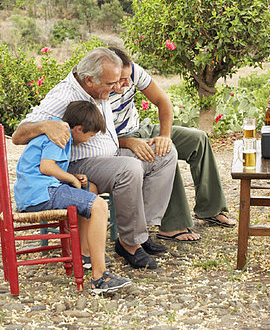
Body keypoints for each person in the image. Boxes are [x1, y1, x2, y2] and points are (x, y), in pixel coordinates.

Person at [12, 47, 178, 270]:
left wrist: (130, 142)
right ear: (89, 79)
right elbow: (18, 135)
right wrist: (45, 126)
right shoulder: (63, 95)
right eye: (111, 84)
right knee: (129, 169)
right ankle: (130, 244)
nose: (116, 87)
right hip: (81, 164)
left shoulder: (97, 89)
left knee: (164, 155)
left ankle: (140, 231)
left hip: (111, 156)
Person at [107, 47, 235, 242]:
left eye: (127, 78)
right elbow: (94, 138)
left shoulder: (131, 70)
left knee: (198, 140)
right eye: (121, 80)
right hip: (117, 141)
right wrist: (129, 142)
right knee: (163, 153)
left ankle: (211, 208)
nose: (126, 83)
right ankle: (172, 225)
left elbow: (162, 101)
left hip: (142, 129)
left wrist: (165, 135)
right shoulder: (98, 85)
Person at [14, 100, 131, 294]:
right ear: (78, 128)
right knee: (99, 206)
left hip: (34, 192)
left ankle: (85, 254)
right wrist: (71, 179)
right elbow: (47, 167)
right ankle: (100, 278)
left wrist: (76, 179)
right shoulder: (61, 134)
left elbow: (46, 167)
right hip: (42, 193)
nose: (89, 140)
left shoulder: (56, 129)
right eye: (90, 135)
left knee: (90, 190)